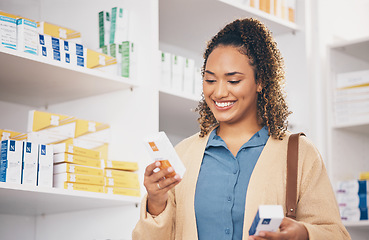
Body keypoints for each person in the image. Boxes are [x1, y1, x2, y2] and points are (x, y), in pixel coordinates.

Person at [132, 18, 351, 240]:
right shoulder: (184, 155)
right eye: (210, 80)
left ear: (260, 81)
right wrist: (156, 202)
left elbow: (336, 234)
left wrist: (302, 234)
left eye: (233, 81)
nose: (218, 92)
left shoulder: (299, 153)